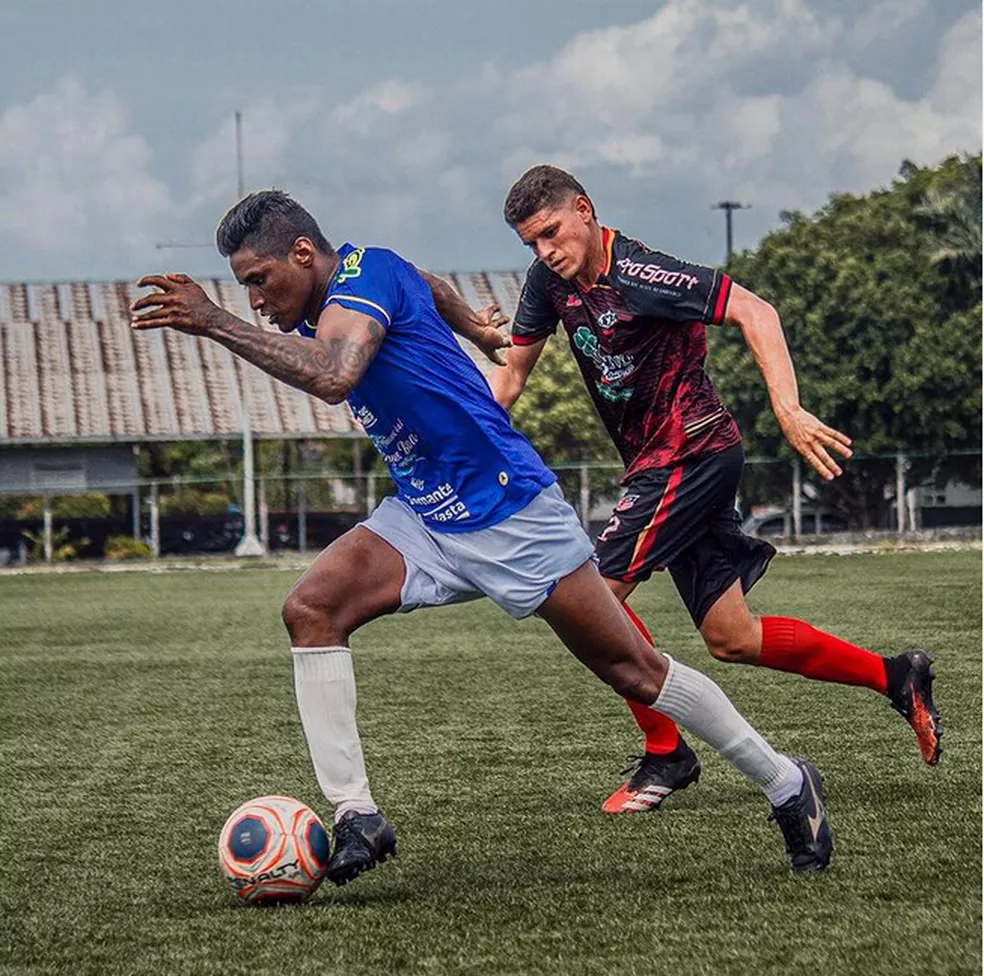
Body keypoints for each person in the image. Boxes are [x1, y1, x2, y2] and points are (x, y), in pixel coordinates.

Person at [131, 190, 833, 881]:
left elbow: (335, 376)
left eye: (259, 281)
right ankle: (357, 816)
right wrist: (480, 330)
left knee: (635, 673)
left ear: (304, 254)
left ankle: (784, 782)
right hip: (425, 515)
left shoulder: (360, 282)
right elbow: (428, 284)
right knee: (311, 609)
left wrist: (214, 321)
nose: (255, 298)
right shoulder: (375, 269)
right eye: (243, 289)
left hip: (510, 513)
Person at [435, 164, 940, 816]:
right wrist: (451, 444)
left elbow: (756, 310)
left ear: (584, 210)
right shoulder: (547, 284)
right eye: (531, 243)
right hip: (661, 465)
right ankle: (896, 676)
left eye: (552, 233)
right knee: (734, 638)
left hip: (692, 453)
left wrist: (787, 409)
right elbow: (508, 381)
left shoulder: (642, 273)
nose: (544, 252)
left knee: (591, 596)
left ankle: (667, 753)